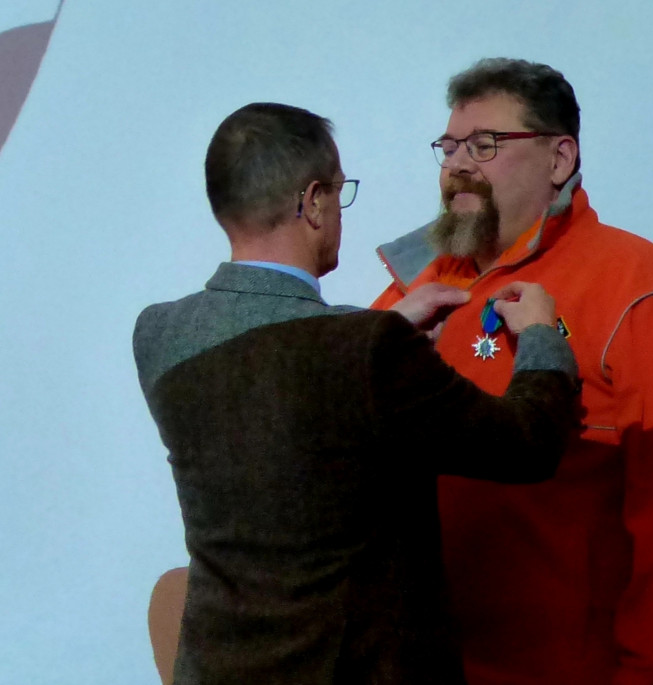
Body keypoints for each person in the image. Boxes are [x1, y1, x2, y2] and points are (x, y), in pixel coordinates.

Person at [133, 102, 580, 685]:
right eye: (339, 196)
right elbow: (528, 444)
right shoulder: (365, 352)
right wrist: (545, 336)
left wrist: (384, 327)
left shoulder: (158, 334)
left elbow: (280, 386)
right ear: (312, 202)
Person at [373, 58, 653, 685]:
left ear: (560, 159)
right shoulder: (413, 296)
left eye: (486, 144)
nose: (457, 164)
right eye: (449, 145)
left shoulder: (644, 297)